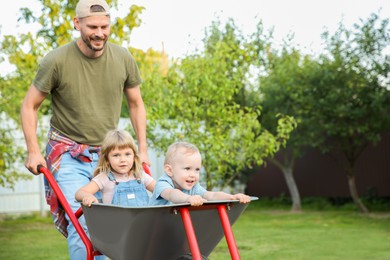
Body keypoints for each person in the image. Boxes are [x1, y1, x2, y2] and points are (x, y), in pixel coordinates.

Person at [20, 0, 149, 259]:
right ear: (77, 24)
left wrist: (142, 150)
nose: (99, 32)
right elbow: (28, 106)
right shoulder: (56, 60)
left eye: (104, 26)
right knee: (83, 223)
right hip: (68, 153)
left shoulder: (123, 57)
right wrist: (33, 151)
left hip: (108, 156)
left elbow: (136, 104)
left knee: (110, 225)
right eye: (92, 26)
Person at [149, 142, 251, 206]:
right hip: (155, 224)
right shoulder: (163, 184)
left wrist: (232, 197)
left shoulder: (193, 187)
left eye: (197, 170)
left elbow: (212, 195)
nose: (193, 174)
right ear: (169, 170)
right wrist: (188, 198)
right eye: (187, 168)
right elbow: (172, 195)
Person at [75, 130, 155, 207]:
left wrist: (167, 192)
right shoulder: (105, 178)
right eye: (116, 155)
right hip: (115, 220)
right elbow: (79, 193)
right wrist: (87, 196)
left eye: (127, 154)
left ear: (134, 157)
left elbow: (160, 189)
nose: (123, 160)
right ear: (107, 159)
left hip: (143, 220)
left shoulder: (140, 175)